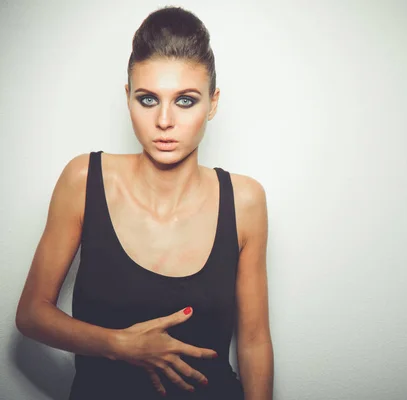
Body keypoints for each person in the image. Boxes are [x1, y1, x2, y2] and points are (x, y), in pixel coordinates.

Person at [15, 6, 273, 400]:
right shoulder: (83, 180)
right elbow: (31, 315)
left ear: (213, 103)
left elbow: (254, 342)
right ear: (128, 98)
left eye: (185, 101)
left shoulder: (245, 200)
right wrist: (121, 345)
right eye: (148, 99)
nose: (164, 120)